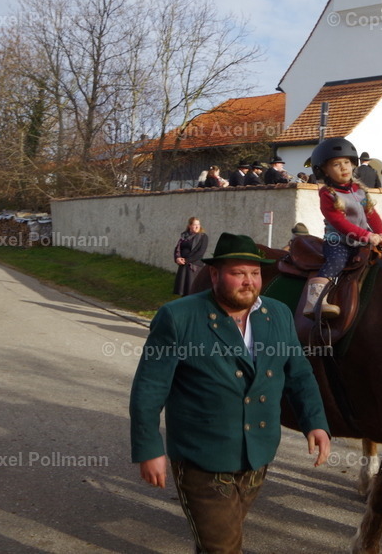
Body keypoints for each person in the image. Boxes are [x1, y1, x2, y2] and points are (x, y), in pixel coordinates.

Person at [130, 232, 331, 554]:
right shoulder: (179, 317)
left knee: (223, 536)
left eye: (254, 273)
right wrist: (148, 447)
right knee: (222, 547)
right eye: (238, 273)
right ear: (214, 274)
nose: (248, 282)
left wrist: (315, 422)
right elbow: (150, 387)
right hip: (201, 456)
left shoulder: (277, 313)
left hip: (258, 453)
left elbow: (300, 373)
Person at [306, 137, 382, 318]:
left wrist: (381, 233)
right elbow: (339, 222)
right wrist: (366, 235)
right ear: (325, 171)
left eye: (347, 162)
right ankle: (314, 301)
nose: (344, 167)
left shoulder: (360, 190)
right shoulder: (328, 194)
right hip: (338, 241)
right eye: (336, 164)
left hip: (361, 240)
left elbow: (371, 214)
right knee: (336, 262)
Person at [173, 217, 209, 296]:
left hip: (194, 267)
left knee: (192, 290)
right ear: (189, 226)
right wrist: (177, 258)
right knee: (184, 292)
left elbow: (200, 253)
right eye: (194, 225)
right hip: (183, 265)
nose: (197, 226)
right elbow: (177, 249)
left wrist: (186, 260)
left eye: (198, 225)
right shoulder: (183, 236)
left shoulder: (203, 237)